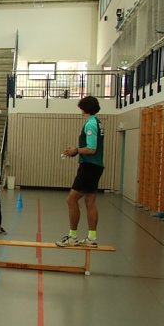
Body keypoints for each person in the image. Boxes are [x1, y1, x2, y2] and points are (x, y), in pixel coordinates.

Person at [56, 95, 105, 248]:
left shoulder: (90, 124)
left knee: (71, 199)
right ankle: (91, 238)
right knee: (90, 201)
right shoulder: (97, 121)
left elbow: (91, 149)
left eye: (81, 108)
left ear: (85, 108)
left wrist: (75, 150)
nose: (80, 111)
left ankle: (73, 236)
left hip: (89, 166)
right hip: (96, 166)